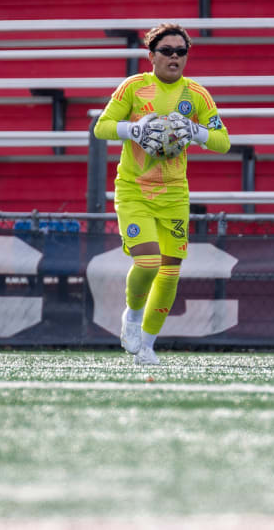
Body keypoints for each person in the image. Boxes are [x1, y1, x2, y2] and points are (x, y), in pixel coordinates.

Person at [93, 23, 231, 365]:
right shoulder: (134, 88)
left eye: (180, 52)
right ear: (151, 56)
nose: (174, 57)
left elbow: (223, 142)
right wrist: (134, 129)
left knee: (170, 272)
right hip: (134, 190)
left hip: (174, 194)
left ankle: (147, 346)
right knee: (148, 261)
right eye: (167, 51)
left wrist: (194, 130)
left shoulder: (197, 95)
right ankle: (133, 316)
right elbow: (102, 127)